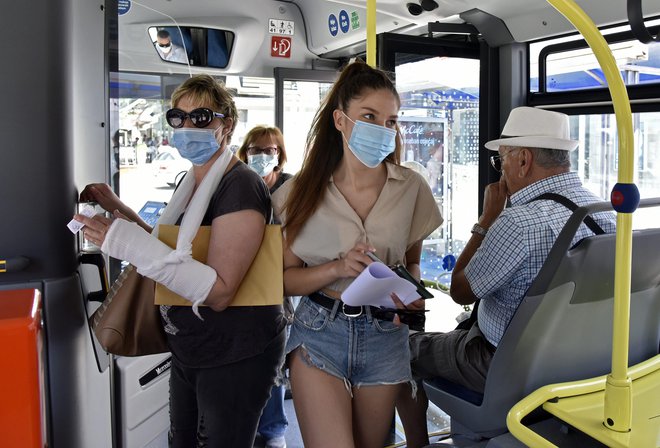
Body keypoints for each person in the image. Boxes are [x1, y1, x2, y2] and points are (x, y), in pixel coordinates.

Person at [74, 74, 286, 447]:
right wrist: (119, 212)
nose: (187, 126)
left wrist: (123, 241)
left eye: (202, 117)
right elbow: (174, 252)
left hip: (235, 352)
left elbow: (219, 291)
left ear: (226, 125)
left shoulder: (240, 186)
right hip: (191, 345)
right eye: (178, 117)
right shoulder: (191, 183)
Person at [396, 106, 617, 447]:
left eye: (501, 162)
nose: (500, 172)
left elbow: (460, 290)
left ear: (524, 160)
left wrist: (487, 219)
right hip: (583, 359)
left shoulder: (519, 222)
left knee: (400, 350)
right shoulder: (605, 213)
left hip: (504, 364)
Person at [272, 60, 443, 448]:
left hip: (385, 332)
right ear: (340, 120)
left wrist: (409, 295)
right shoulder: (299, 193)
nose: (382, 130)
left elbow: (411, 262)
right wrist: (337, 267)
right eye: (369, 116)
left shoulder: (411, 188)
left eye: (390, 121)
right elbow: (284, 278)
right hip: (319, 330)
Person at [236, 125, 292, 448]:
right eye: (256, 150)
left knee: (274, 361)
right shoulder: (238, 185)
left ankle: (273, 429)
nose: (262, 156)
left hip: (279, 284)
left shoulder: (292, 189)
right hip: (241, 281)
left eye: (269, 151)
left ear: (280, 157)